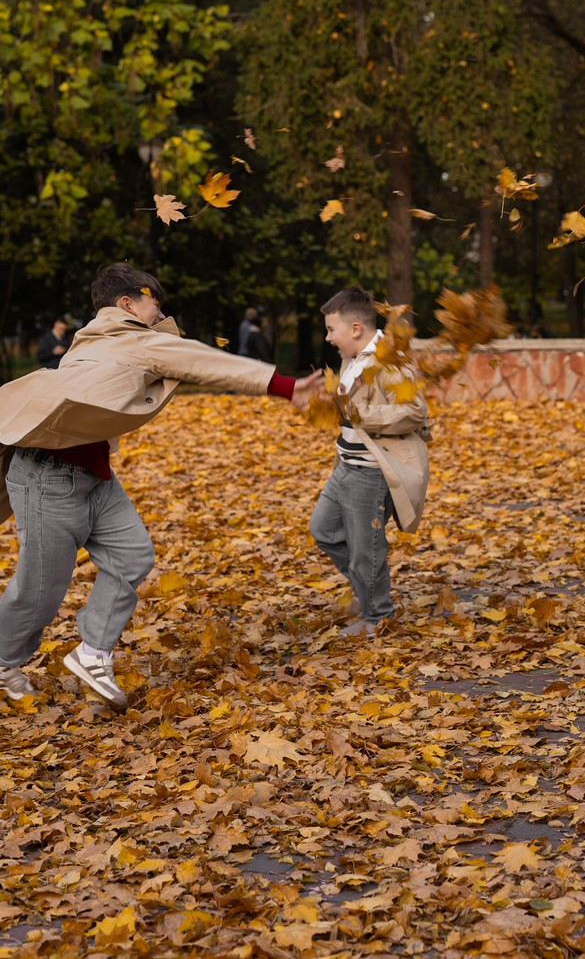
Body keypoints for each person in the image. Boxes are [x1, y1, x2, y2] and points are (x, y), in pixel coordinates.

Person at [0, 263, 322, 708]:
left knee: (132, 555)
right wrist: (284, 386)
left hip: (93, 477)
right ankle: (3, 661)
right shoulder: (128, 339)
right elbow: (200, 360)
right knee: (39, 594)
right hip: (48, 479)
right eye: (154, 302)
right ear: (127, 304)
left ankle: (92, 652)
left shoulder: (95, 340)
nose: (159, 312)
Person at [309, 287, 431, 638]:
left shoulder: (389, 360)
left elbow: (414, 412)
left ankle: (379, 618)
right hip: (345, 466)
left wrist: (365, 414)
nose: (328, 338)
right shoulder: (354, 358)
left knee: (367, 550)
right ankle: (368, 592)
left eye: (332, 330)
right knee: (324, 531)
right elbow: (349, 408)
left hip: (371, 474)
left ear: (356, 328)